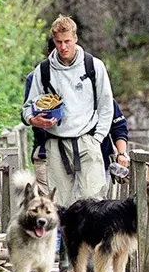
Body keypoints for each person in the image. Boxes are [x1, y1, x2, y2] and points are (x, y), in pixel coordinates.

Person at [21, 14, 113, 217]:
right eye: (59, 42)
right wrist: (33, 120)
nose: (63, 47)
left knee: (93, 201)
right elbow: (27, 107)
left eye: (67, 41)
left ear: (76, 38)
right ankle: (65, 249)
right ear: (54, 41)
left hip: (87, 139)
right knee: (60, 205)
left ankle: (91, 248)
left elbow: (107, 106)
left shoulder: (93, 66)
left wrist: (97, 138)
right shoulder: (43, 70)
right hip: (56, 143)